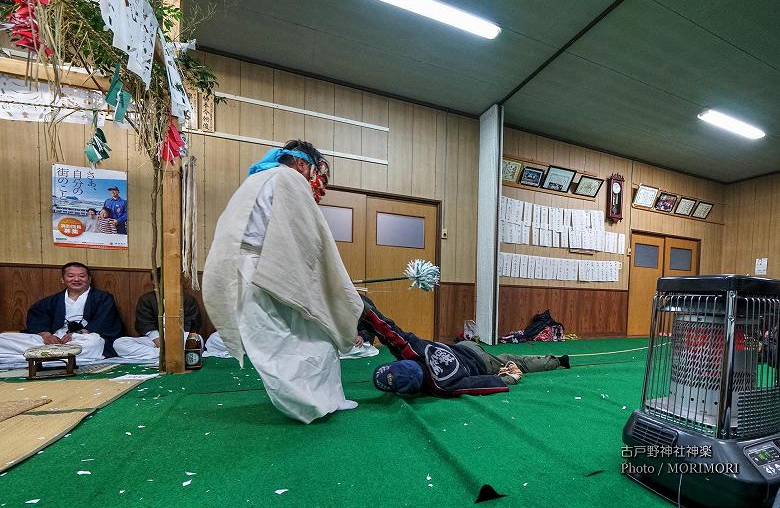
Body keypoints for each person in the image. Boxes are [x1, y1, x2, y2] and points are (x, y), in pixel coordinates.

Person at [203, 140, 364, 424]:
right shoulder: (289, 179)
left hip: (244, 269)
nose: (311, 178)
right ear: (302, 164)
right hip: (265, 267)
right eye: (312, 171)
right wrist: (324, 279)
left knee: (277, 338)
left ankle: (324, 400)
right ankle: (316, 402)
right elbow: (306, 238)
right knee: (299, 335)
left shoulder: (256, 180)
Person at [359, 295, 569, 397]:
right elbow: (388, 330)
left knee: (518, 362)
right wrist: (363, 308)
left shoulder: (442, 386)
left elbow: (479, 384)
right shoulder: (412, 350)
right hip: (467, 347)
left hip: (480, 362)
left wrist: (509, 378)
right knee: (514, 358)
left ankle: (557, 361)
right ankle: (557, 360)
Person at [0, 262, 124, 366]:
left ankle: (40, 356)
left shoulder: (103, 298)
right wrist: (46, 335)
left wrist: (80, 333)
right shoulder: (51, 301)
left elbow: (104, 321)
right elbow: (37, 319)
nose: (76, 279)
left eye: (82, 276)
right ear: (62, 280)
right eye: (70, 276)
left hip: (83, 338)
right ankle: (55, 355)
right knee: (3, 339)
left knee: (94, 342)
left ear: (89, 280)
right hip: (55, 340)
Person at [113, 268, 204, 360]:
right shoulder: (147, 299)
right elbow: (145, 325)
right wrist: (161, 345)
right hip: (154, 341)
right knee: (119, 343)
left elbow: (191, 326)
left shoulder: (188, 300)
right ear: (155, 282)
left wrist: (174, 341)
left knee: (197, 340)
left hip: (180, 339)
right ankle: (164, 354)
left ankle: (160, 354)